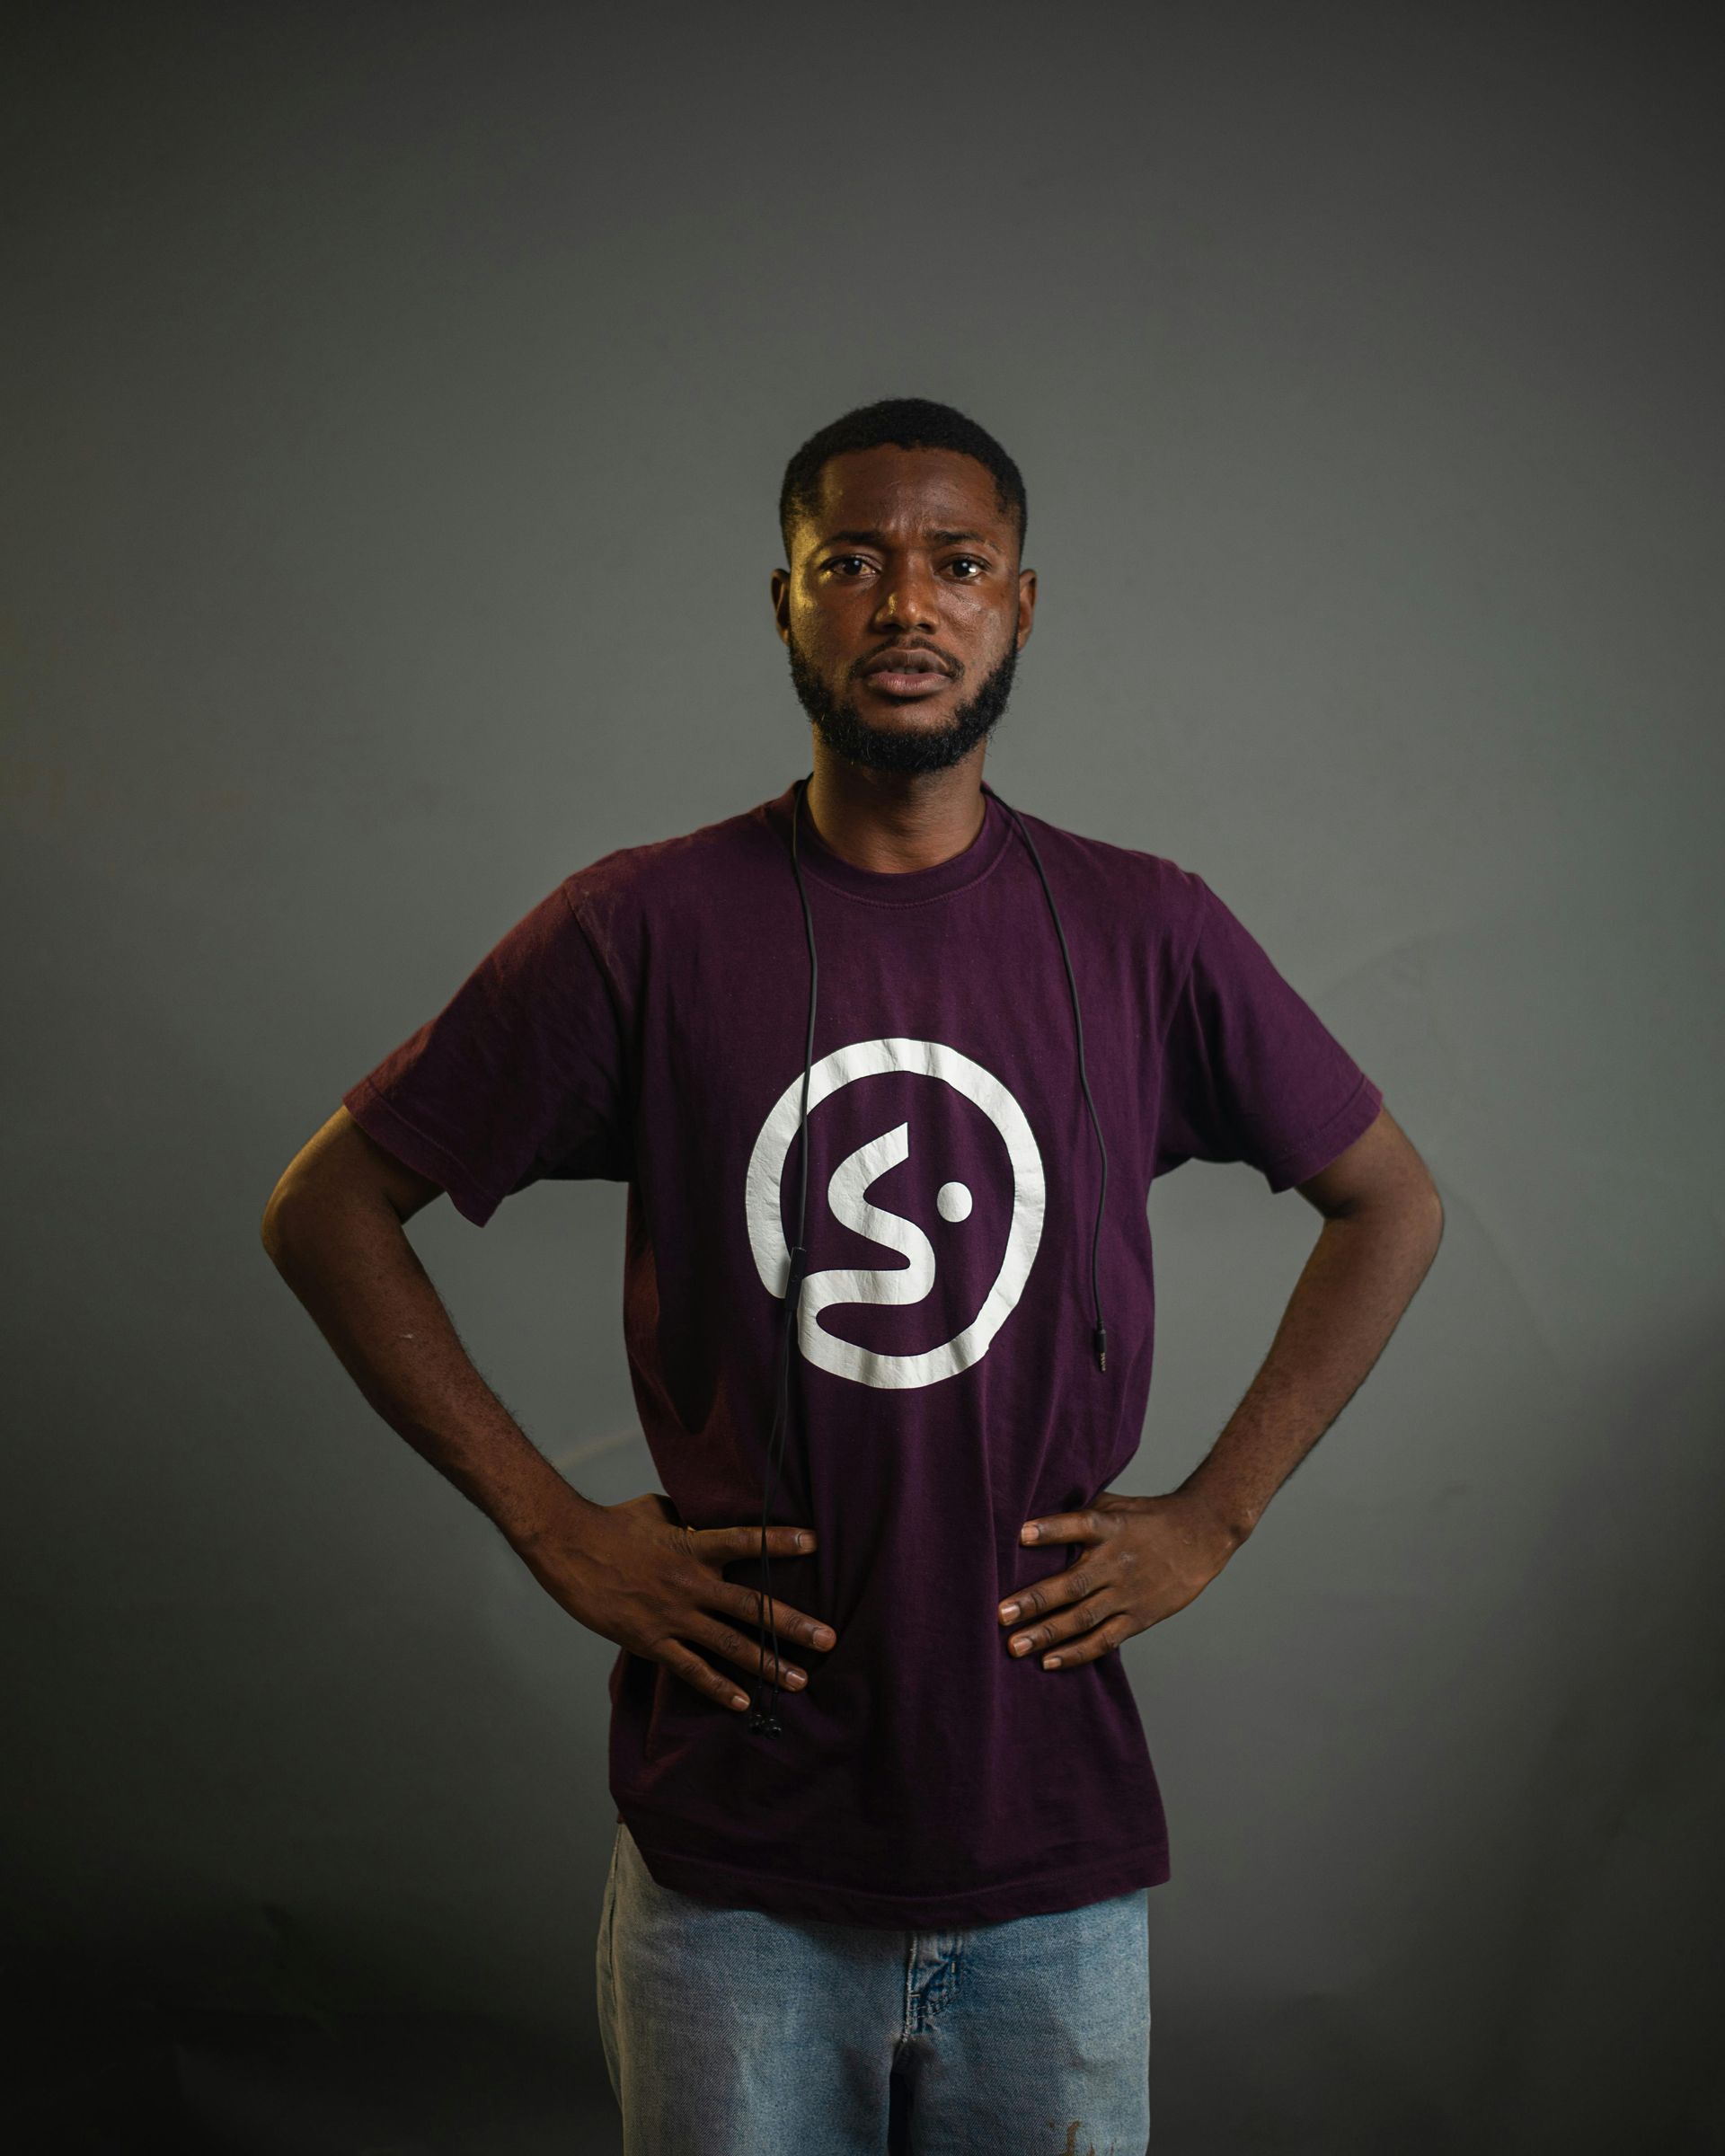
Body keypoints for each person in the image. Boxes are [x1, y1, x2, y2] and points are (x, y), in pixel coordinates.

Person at [261, 396, 1445, 2154]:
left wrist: (1215, 1513)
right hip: (732, 1879)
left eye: (956, 563)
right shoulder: (645, 928)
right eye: (854, 563)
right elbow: (330, 1208)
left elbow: (1391, 1203)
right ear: (787, 603)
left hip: (1050, 1859)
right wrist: (552, 1523)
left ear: (1019, 604)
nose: (908, 602)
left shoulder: (1146, 928)